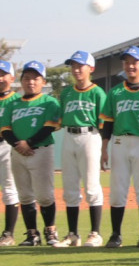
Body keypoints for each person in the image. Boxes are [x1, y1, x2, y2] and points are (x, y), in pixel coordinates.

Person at [100, 46, 139, 248]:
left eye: (134, 62)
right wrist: (104, 149)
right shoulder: (115, 92)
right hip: (120, 142)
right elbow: (108, 123)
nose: (130, 66)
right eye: (127, 62)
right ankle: (115, 235)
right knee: (118, 191)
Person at [0, 61, 61, 246]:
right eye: (27, 78)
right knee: (25, 195)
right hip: (18, 151)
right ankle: (31, 234)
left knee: (44, 195)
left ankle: (50, 231)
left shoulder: (49, 101)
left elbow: (49, 126)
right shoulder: (14, 103)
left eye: (35, 78)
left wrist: (29, 143)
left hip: (40, 150)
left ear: (43, 81)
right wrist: (18, 144)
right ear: (21, 81)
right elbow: (5, 128)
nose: (31, 82)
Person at [54, 51, 107, 247]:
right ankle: (72, 235)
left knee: (92, 186)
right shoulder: (67, 92)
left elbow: (104, 122)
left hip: (90, 136)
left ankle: (95, 233)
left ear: (90, 69)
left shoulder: (97, 93)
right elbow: (59, 119)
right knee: (69, 188)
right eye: (73, 66)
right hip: (68, 135)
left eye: (80, 66)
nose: (76, 70)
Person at [0, 60, 22, 246]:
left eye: (3, 74)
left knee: (9, 188)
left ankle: (8, 233)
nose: (0, 78)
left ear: (11, 78)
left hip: (7, 145)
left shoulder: (17, 100)